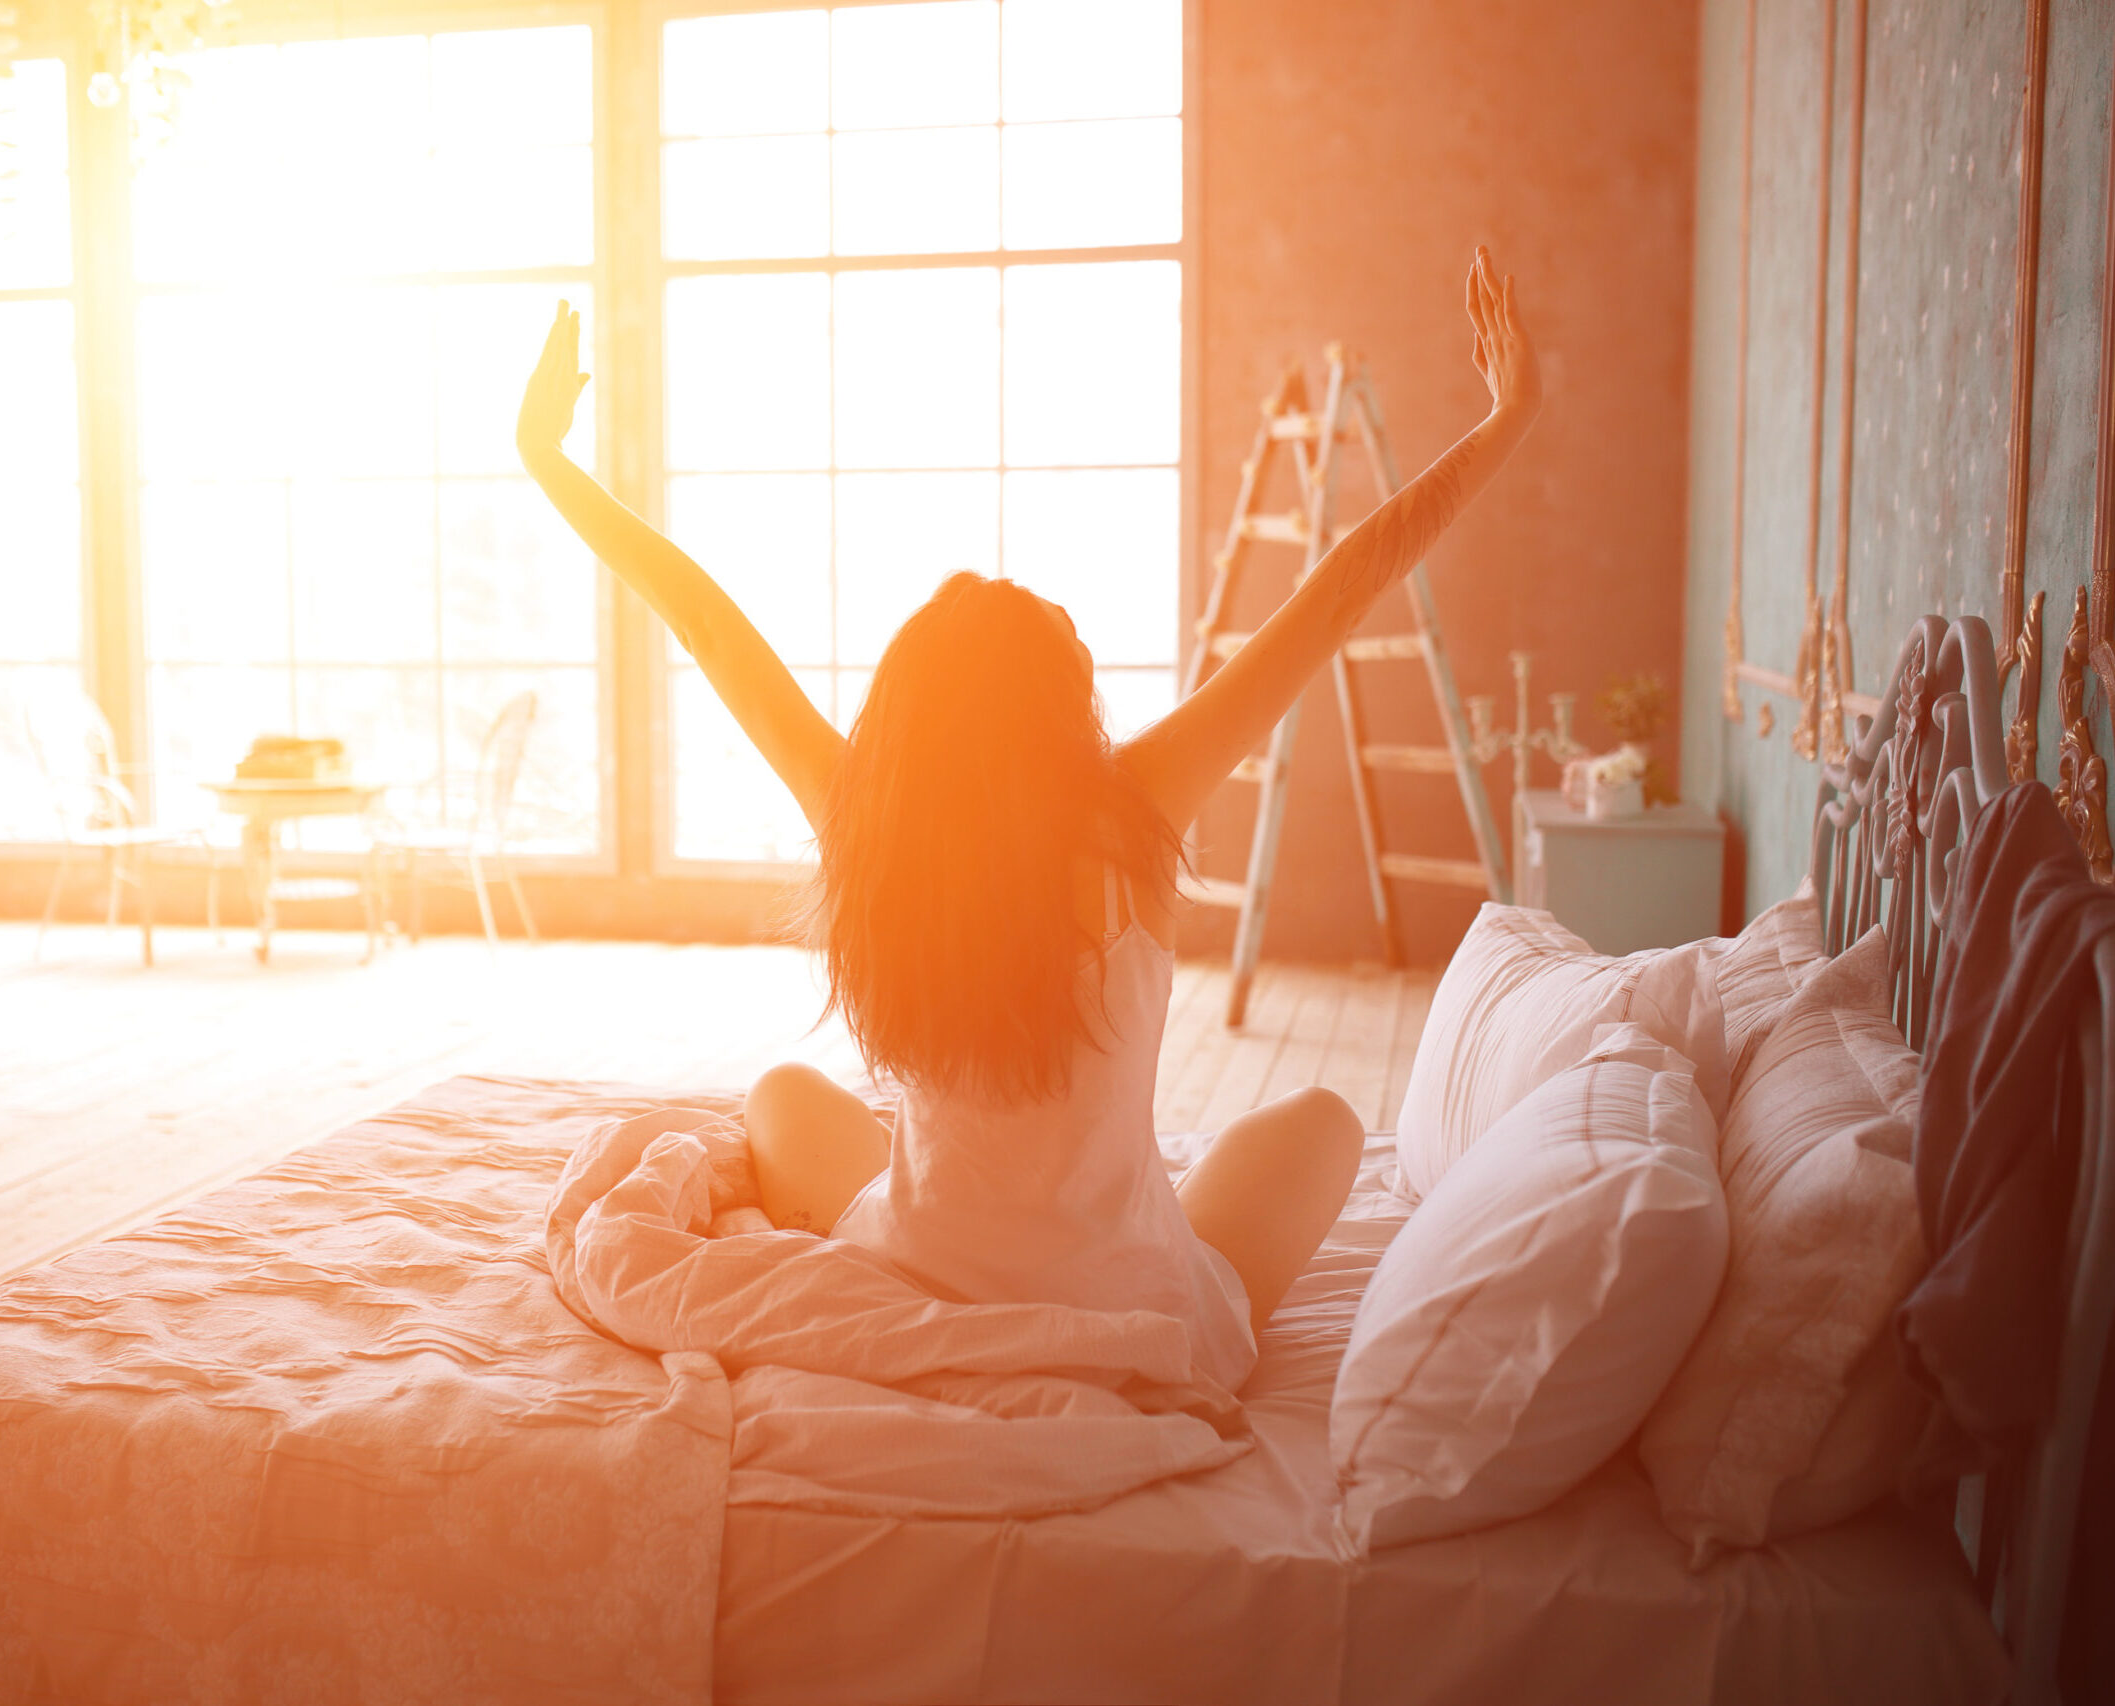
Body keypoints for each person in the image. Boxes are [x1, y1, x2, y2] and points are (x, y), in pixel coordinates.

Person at [517, 248, 1539, 1389]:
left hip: (917, 1281)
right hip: (1128, 1305)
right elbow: (1346, 581)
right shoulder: (1140, 807)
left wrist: (548, 464)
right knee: (1328, 1124)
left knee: (779, 1097)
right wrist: (1505, 421)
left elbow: (703, 623)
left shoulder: (870, 815)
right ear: (1060, 709)